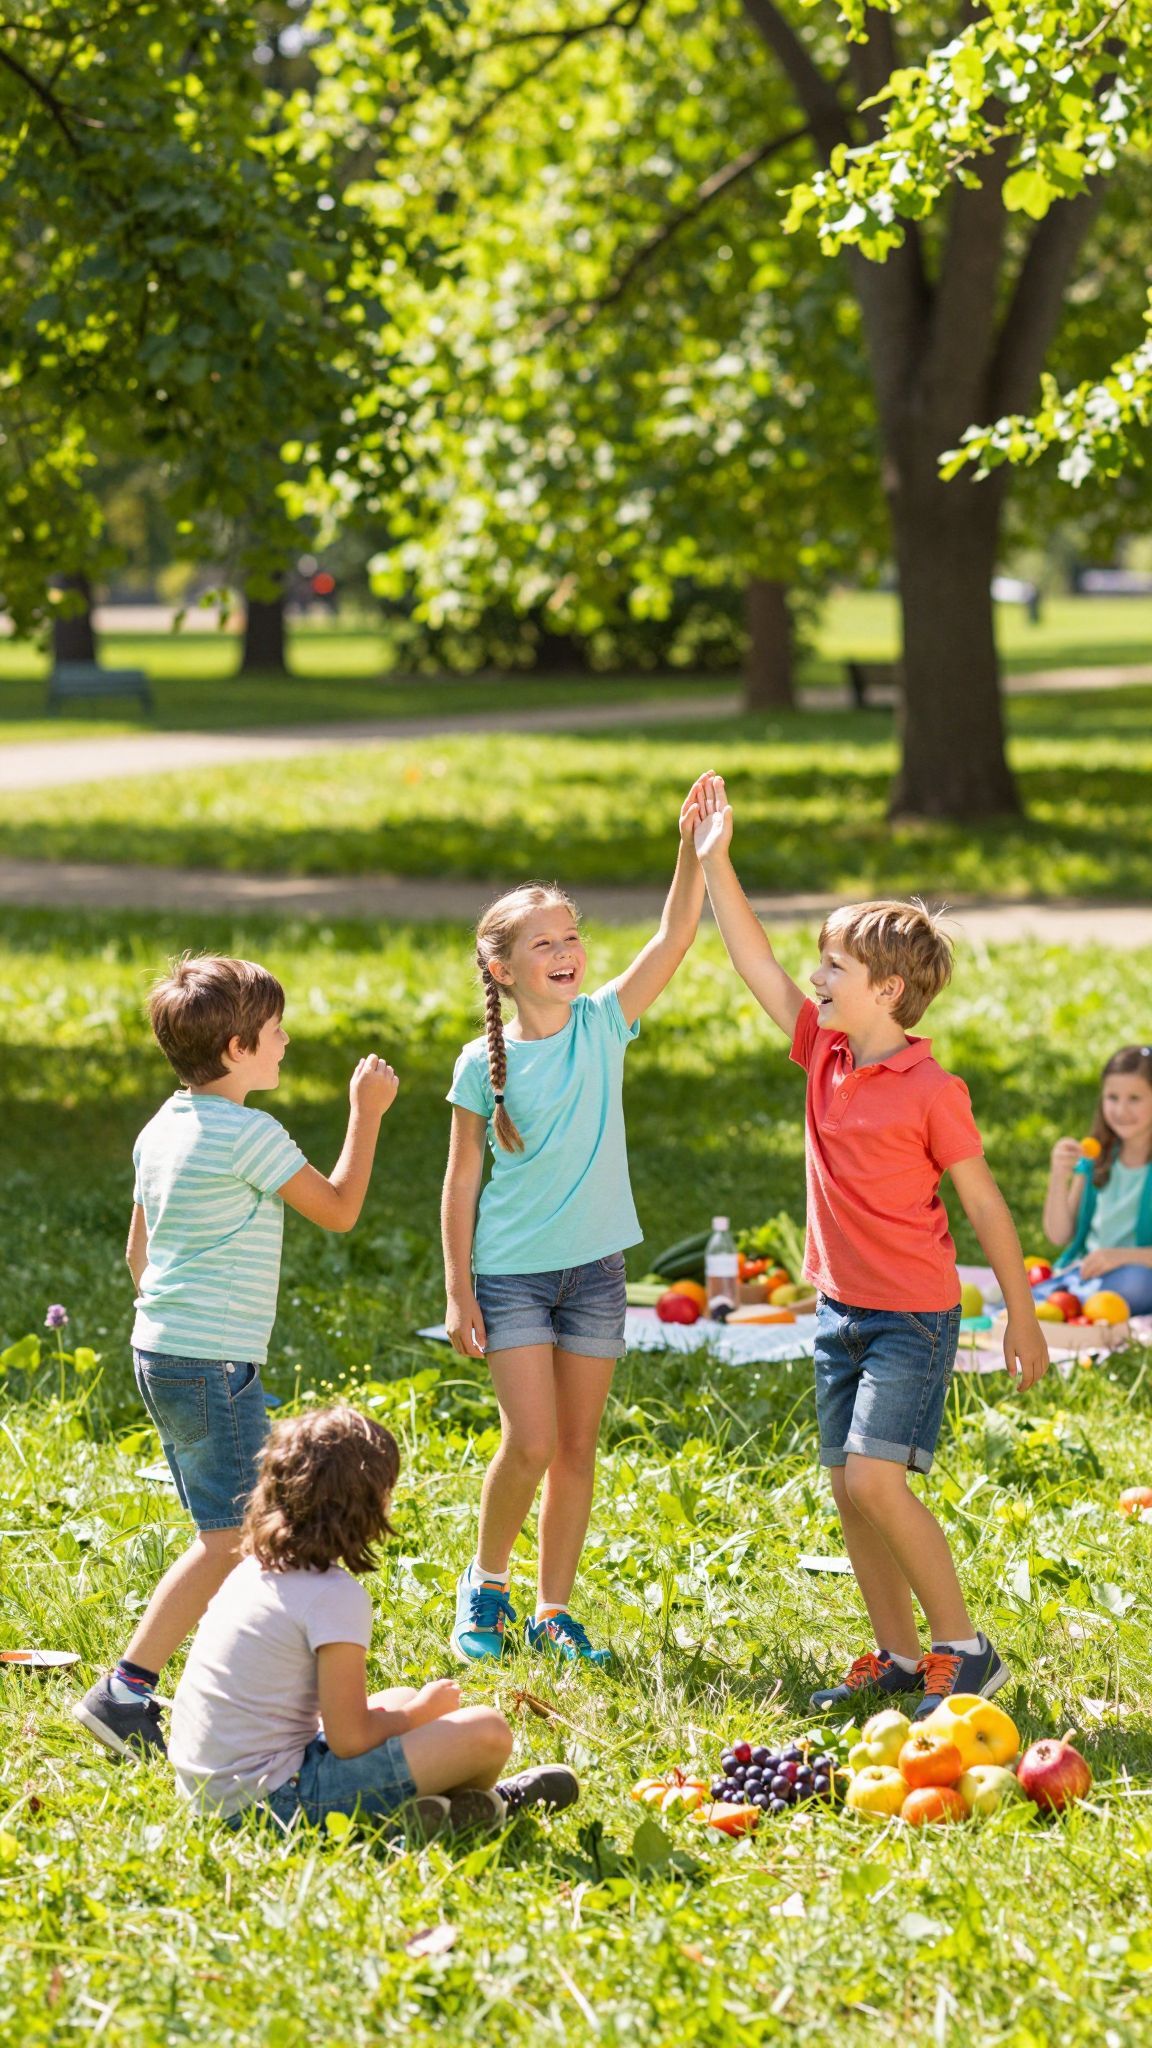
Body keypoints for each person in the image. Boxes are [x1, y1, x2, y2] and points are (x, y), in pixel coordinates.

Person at [692, 773, 1049, 1721]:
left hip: (914, 1317)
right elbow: (755, 967)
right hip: (841, 1308)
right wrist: (716, 862)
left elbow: (986, 1205)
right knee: (851, 1493)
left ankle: (964, 1649)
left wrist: (1021, 1317)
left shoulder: (935, 1091)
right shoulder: (826, 1052)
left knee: (877, 1481)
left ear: (888, 991)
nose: (816, 979)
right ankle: (896, 1656)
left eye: (835, 968)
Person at [73, 954, 399, 1761]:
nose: (286, 1042)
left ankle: (163, 1686)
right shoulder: (250, 1133)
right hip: (212, 1363)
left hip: (163, 1352)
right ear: (235, 1050)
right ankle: (128, 1690)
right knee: (234, 1538)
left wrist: (175, 1320)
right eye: (276, 1031)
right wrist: (368, 1112)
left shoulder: (164, 1126)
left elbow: (136, 1252)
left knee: (224, 1530)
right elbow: (340, 1209)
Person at [442, 779, 712, 1667]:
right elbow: (461, 1180)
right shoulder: (482, 1064)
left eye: (571, 937)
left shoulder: (604, 1024)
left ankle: (554, 1610)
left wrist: (691, 848)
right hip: (512, 1274)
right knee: (532, 1441)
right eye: (542, 943)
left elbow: (675, 937)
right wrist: (457, 1292)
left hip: (596, 1269)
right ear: (501, 968)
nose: (565, 952)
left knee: (579, 1448)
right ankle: (486, 1591)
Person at [168, 1405, 577, 1832]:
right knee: (487, 1732)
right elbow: (350, 1740)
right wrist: (420, 1712)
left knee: (395, 1696)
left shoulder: (256, 1568)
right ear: (368, 1505)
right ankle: (482, 1808)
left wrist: (408, 1710)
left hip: (208, 1791)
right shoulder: (332, 1596)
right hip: (270, 1804)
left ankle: (428, 1814)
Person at [1038, 1044, 1152, 1314]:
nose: (1121, 1110)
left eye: (1134, 1098)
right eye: (1112, 1097)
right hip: (1087, 1273)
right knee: (1018, 1299)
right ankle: (1072, 1301)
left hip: (1137, 1274)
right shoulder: (1095, 1159)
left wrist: (1118, 1257)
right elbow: (1059, 1234)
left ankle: (1073, 1301)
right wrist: (1059, 1175)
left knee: (1138, 1283)